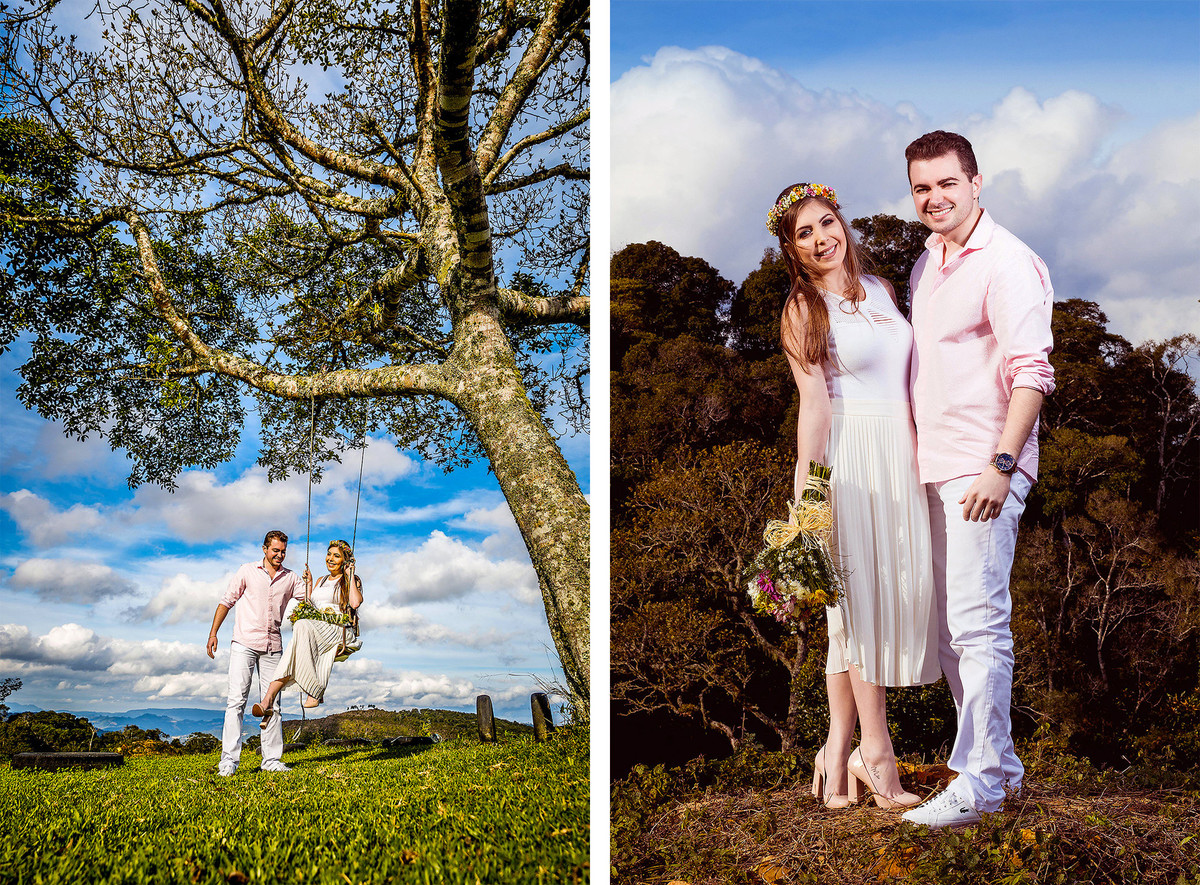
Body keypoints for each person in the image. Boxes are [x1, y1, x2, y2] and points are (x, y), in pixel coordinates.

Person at [899, 131, 1055, 828]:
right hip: (934, 470)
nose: (934, 198)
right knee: (949, 634)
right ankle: (997, 768)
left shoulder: (1010, 263)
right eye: (921, 187)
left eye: (946, 184)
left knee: (979, 625)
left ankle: (982, 784)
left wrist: (1001, 465)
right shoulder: (926, 263)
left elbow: (1033, 373)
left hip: (983, 469)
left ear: (976, 182)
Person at [769, 182, 941, 809]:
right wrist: (809, 497)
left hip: (901, 454)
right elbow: (812, 406)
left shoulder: (886, 291)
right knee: (859, 607)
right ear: (792, 249)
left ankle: (833, 752)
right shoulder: (801, 310)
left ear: (842, 222)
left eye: (826, 223)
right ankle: (877, 752)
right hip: (850, 461)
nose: (821, 240)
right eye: (804, 234)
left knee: (867, 610)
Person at [207, 530, 308, 776]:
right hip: (244, 642)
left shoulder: (291, 578)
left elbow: (310, 601)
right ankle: (228, 761)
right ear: (264, 549)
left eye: (283, 551)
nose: (280, 556)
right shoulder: (247, 571)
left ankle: (272, 760)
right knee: (236, 701)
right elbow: (226, 601)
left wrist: (310, 580)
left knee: (273, 702)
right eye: (276, 550)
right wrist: (213, 633)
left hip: (274, 646)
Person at [253, 539, 363, 728]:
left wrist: (350, 574)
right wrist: (310, 584)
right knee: (293, 653)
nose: (330, 559)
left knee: (302, 627)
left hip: (339, 631)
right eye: (329, 554)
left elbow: (354, 603)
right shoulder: (321, 580)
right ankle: (267, 702)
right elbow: (310, 607)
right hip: (315, 628)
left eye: (336, 556)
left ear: (345, 560)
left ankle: (314, 690)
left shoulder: (350, 580)